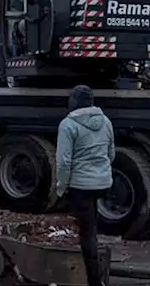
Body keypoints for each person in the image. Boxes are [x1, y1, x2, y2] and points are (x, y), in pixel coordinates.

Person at [53, 85, 113, 286]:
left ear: (75, 101)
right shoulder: (105, 121)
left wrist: (61, 187)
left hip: (81, 185)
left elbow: (63, 162)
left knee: (86, 233)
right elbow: (111, 153)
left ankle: (93, 280)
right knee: (91, 225)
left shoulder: (68, 125)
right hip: (103, 182)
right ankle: (96, 269)